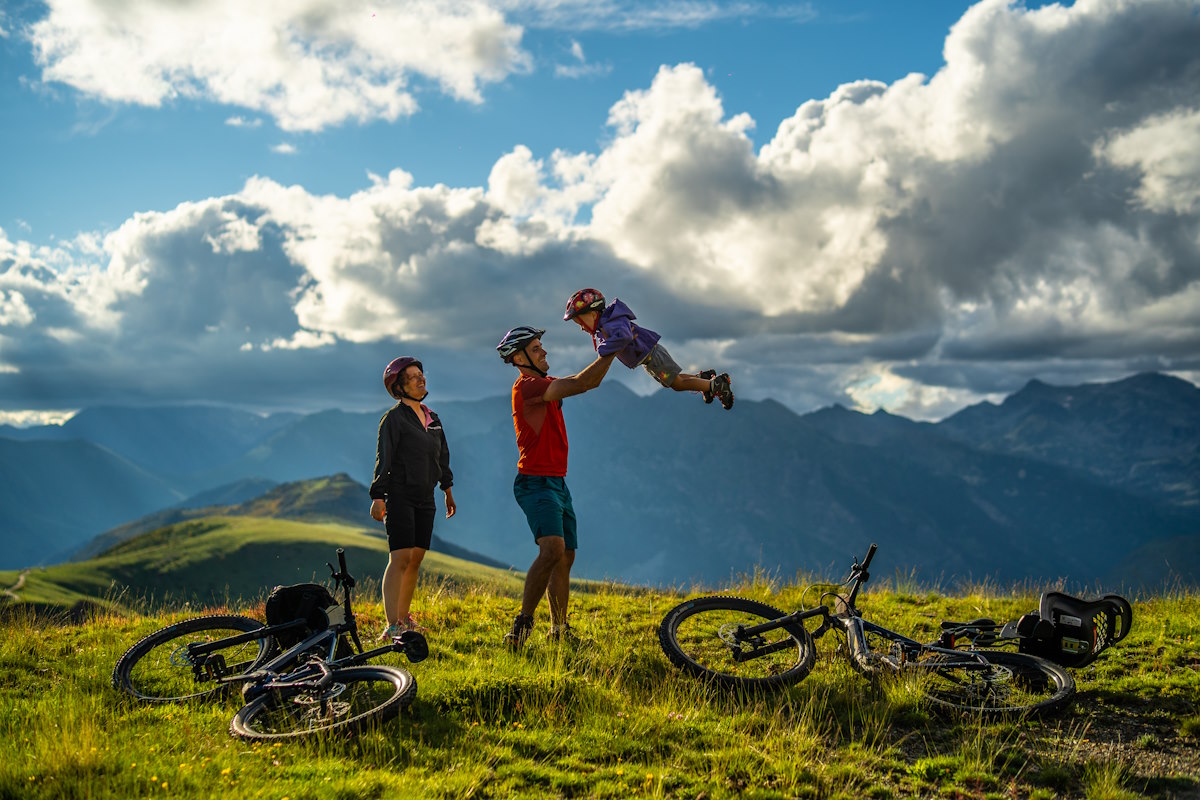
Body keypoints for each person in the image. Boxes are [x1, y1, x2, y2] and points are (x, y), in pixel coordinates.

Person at [495, 325, 616, 647]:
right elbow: (584, 382)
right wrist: (613, 348)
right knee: (552, 549)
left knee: (566, 557)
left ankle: (559, 631)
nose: (544, 351)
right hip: (535, 482)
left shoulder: (543, 384)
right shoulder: (527, 387)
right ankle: (522, 625)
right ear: (519, 358)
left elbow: (584, 382)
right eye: (536, 349)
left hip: (557, 481)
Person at [369, 356, 456, 639]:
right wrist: (378, 496)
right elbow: (385, 458)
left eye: (422, 374)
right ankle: (391, 624)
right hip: (400, 495)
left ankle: (404, 618)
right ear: (399, 386)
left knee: (416, 558)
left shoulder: (433, 419)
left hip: (426, 496)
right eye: (413, 377)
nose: (421, 380)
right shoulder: (393, 419)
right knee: (400, 557)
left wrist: (448, 491)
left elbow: (442, 457)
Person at [563, 288, 734, 409]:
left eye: (580, 322)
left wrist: (603, 349)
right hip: (649, 358)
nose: (581, 328)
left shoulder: (611, 324)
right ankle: (702, 380)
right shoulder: (606, 325)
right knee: (674, 380)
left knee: (677, 384)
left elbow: (625, 336)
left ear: (593, 314)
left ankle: (715, 385)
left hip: (653, 355)